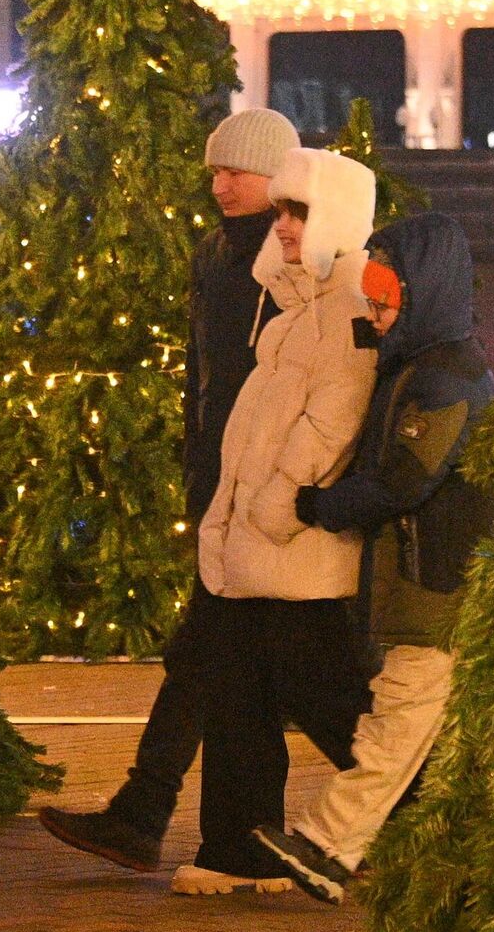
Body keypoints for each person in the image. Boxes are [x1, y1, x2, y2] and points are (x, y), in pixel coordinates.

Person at [37, 109, 299, 872]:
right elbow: (202, 375)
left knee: (235, 657)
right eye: (215, 171)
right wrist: (199, 468)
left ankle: (148, 812)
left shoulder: (298, 257)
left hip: (272, 493)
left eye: (236, 172)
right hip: (223, 487)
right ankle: (151, 814)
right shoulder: (214, 255)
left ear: (276, 175)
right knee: (220, 656)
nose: (220, 185)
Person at [252, 212, 494, 903]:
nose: (375, 312)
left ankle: (328, 846)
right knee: (423, 730)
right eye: (372, 294)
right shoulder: (422, 367)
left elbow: (403, 481)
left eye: (387, 297)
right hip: (431, 583)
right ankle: (458, 864)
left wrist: (318, 506)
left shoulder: (445, 379)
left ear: (424, 293)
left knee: (398, 722)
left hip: (436, 585)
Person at [182, 146, 380, 895]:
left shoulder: (347, 302)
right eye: (283, 212)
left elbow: (335, 417)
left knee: (326, 696)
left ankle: (437, 815)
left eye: (299, 212)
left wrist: (276, 502)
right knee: (239, 691)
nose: (285, 226)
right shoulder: (296, 303)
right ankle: (236, 848)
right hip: (257, 541)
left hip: (293, 543)